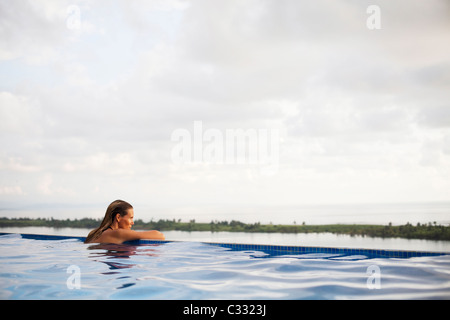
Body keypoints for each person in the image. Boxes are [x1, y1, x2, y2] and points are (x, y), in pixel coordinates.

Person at [84, 200, 165, 244]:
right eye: (131, 218)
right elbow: (160, 235)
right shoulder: (118, 233)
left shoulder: (94, 233)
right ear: (118, 217)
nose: (132, 222)